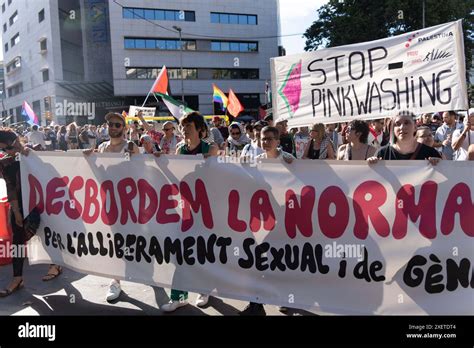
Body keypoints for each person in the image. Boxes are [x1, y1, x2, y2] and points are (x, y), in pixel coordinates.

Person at [161, 112, 218, 313]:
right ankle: (179, 296)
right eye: (183, 126)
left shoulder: (210, 149)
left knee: (203, 250)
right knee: (180, 251)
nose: (184, 130)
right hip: (185, 207)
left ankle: (205, 289)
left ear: (200, 130)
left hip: (206, 208)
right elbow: (176, 176)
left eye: (189, 127)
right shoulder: (179, 149)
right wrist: (162, 162)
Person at [84, 113, 139, 302]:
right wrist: (89, 159)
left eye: (117, 124)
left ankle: (150, 275)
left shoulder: (131, 147)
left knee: (136, 239)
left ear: (124, 128)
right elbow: (99, 173)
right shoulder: (101, 147)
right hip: (109, 201)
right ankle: (115, 280)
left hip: (130, 203)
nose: (113, 127)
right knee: (114, 241)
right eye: (110, 124)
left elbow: (143, 171)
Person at [0, 129, 62, 297]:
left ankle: (55, 264)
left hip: (42, 203)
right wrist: (16, 211)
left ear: (15, 142)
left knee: (48, 235)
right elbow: (10, 188)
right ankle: (17, 278)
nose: (6, 153)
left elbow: (56, 166)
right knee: (17, 242)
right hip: (19, 205)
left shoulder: (34, 152)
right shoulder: (6, 162)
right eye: (2, 150)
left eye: (7, 148)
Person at [367, 111, 442, 164]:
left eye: (407, 123)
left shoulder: (431, 153)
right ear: (393, 129)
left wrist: (440, 166)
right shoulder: (382, 154)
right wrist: (372, 165)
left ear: (415, 127)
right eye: (397, 124)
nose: (402, 127)